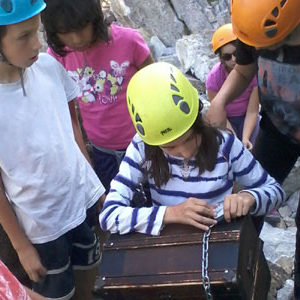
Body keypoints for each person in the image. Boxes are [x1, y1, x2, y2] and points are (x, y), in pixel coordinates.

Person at [99, 62, 284, 236]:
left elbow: (275, 191)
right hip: (168, 249)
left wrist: (248, 197)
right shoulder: (142, 147)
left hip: (217, 241)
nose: (185, 152)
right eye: (170, 147)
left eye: (189, 139)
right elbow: (108, 216)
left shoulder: (225, 145)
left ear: (198, 121)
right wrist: (170, 214)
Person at [0, 0, 106, 299]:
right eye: (23, 37)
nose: (38, 43)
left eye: (37, 32)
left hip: (80, 202)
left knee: (89, 273)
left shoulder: (48, 67)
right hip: (43, 227)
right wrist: (21, 247)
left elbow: (72, 127)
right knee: (57, 292)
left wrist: (94, 186)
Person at [206, 0, 300, 296]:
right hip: (277, 128)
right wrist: (219, 101)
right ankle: (232, 276)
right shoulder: (254, 24)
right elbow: (245, 70)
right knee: (246, 200)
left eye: (278, 43)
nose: (268, 51)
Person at [41, 0, 154, 193]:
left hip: (144, 145)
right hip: (102, 152)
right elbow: (65, 114)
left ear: (94, 18)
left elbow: (156, 83)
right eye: (65, 32)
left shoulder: (128, 41)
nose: (76, 39)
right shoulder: (57, 57)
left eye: (82, 27)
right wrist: (88, 165)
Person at [206, 23, 260, 150]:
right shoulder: (214, 78)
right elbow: (218, 110)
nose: (234, 59)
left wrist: (245, 138)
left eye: (236, 53)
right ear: (221, 59)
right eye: (227, 56)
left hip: (248, 117)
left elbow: (253, 111)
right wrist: (234, 138)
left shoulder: (253, 71)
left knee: (256, 145)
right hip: (227, 119)